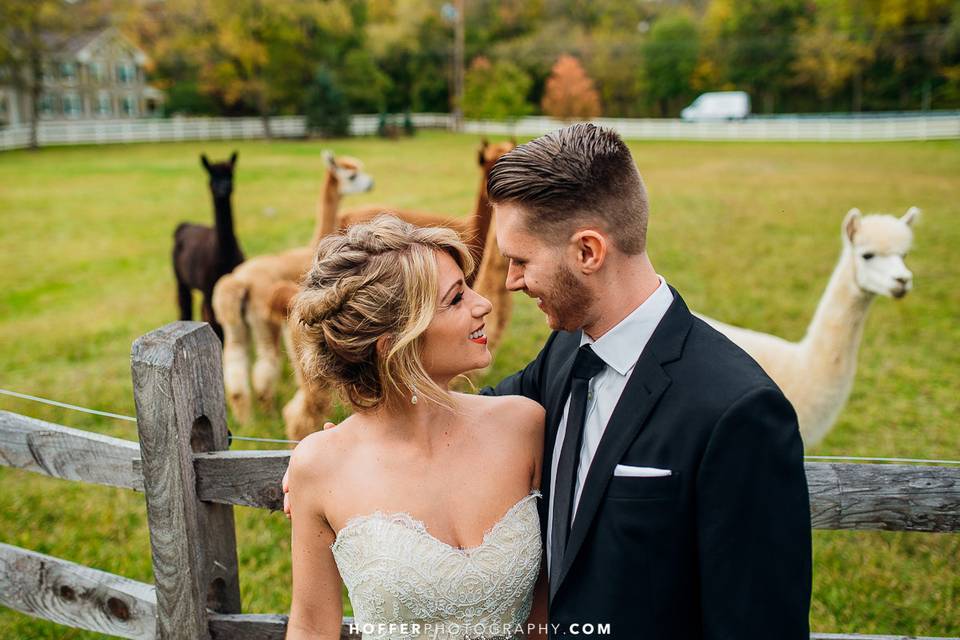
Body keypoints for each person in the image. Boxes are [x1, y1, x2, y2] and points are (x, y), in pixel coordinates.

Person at [286, 123, 812, 639]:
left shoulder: (738, 411)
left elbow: (760, 624)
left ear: (587, 252)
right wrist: (350, 444)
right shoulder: (565, 353)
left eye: (520, 260)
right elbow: (459, 418)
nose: (507, 283)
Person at [284, 214, 548, 640]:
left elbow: (544, 615)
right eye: (456, 298)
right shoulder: (320, 466)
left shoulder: (524, 426)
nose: (483, 304)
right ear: (395, 343)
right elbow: (312, 626)